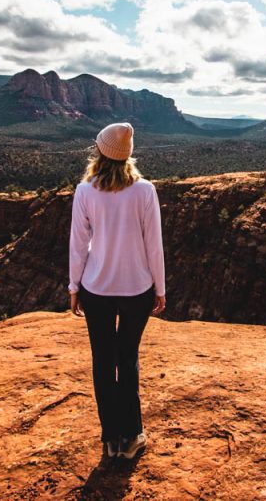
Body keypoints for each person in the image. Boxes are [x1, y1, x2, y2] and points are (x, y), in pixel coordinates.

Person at [69, 121, 167, 460]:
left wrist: (73, 286)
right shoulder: (145, 190)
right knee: (127, 360)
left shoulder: (85, 191)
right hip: (137, 290)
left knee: (102, 361)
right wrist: (160, 287)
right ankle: (132, 435)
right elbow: (154, 244)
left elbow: (78, 244)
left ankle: (110, 439)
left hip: (95, 289)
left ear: (99, 151)